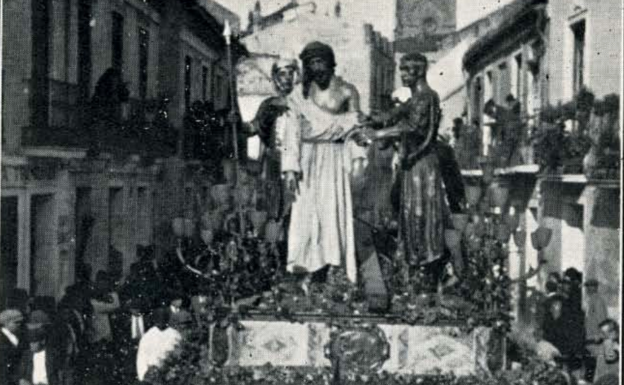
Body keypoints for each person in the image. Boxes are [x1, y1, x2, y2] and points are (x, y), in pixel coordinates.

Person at [278, 41, 367, 283]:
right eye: (311, 64)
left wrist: (358, 162)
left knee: (332, 213)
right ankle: (305, 269)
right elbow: (291, 132)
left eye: (321, 62)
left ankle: (331, 268)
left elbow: (357, 130)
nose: (317, 68)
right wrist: (289, 168)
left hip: (335, 160)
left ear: (331, 63)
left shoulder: (348, 91)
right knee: (305, 214)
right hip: (306, 158)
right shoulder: (299, 96)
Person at [360, 52, 446, 293]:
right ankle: (416, 269)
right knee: (410, 214)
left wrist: (378, 134)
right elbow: (392, 116)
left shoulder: (426, 97)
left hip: (422, 167)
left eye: (406, 70)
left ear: (418, 71)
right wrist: (367, 120)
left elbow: (413, 127)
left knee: (421, 215)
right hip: (413, 166)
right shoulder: (416, 98)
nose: (403, 74)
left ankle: (425, 271)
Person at [248, 58, 299, 220]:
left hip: (297, 163)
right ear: (275, 77)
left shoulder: (302, 104)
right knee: (271, 203)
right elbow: (254, 127)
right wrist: (236, 123)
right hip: (272, 161)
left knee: (294, 205)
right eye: (282, 73)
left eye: (291, 73)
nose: (287, 78)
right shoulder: (269, 105)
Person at [136, 308, 182, 382]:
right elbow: (141, 358)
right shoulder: (147, 337)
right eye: (158, 317)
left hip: (171, 374)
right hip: (152, 376)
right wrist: (144, 376)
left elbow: (180, 354)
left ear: (167, 318)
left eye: (164, 317)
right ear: (154, 319)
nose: (161, 320)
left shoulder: (175, 335)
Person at [19, 316, 61, 385]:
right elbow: (21, 374)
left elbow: (60, 375)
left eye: (34, 342)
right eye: (30, 342)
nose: (31, 345)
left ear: (42, 341)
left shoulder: (52, 354)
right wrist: (22, 380)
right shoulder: (26, 355)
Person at [1, 309, 25, 385]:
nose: (19, 325)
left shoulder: (20, 336)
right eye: (16, 322)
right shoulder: (1, 338)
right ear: (6, 322)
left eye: (20, 322)